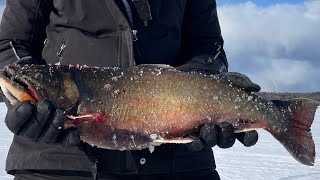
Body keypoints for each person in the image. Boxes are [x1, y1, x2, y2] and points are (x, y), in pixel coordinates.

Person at [0, 0, 260, 179]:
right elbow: (9, 45)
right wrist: (27, 100)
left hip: (179, 164)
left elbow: (208, 46)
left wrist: (201, 95)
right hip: (57, 164)